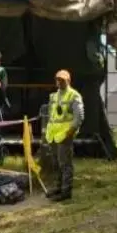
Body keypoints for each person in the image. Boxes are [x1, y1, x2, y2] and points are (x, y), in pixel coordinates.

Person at [45, 70, 84, 202]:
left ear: (68, 81)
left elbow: (79, 117)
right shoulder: (54, 96)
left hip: (65, 135)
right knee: (57, 164)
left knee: (65, 164)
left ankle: (66, 191)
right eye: (58, 80)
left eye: (62, 80)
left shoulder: (74, 95)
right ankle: (58, 187)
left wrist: (71, 131)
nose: (59, 82)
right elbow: (52, 115)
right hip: (53, 136)